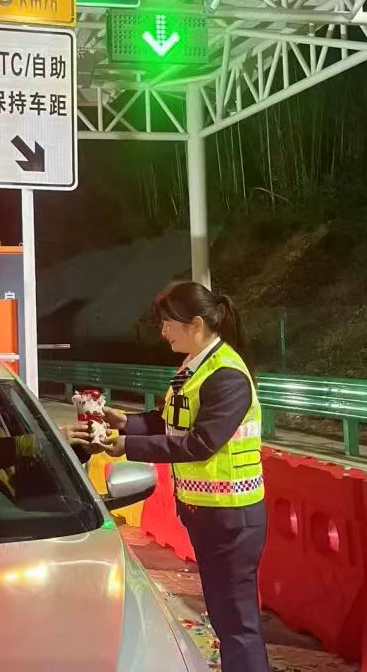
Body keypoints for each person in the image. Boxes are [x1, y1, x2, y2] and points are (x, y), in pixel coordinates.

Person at [93, 281, 271, 672]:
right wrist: (125, 422)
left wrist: (128, 446)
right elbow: (170, 421)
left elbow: (200, 443)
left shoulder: (226, 375)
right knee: (226, 617)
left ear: (195, 324)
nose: (163, 332)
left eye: (167, 323)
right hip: (210, 513)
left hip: (232, 515)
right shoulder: (196, 367)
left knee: (237, 623)